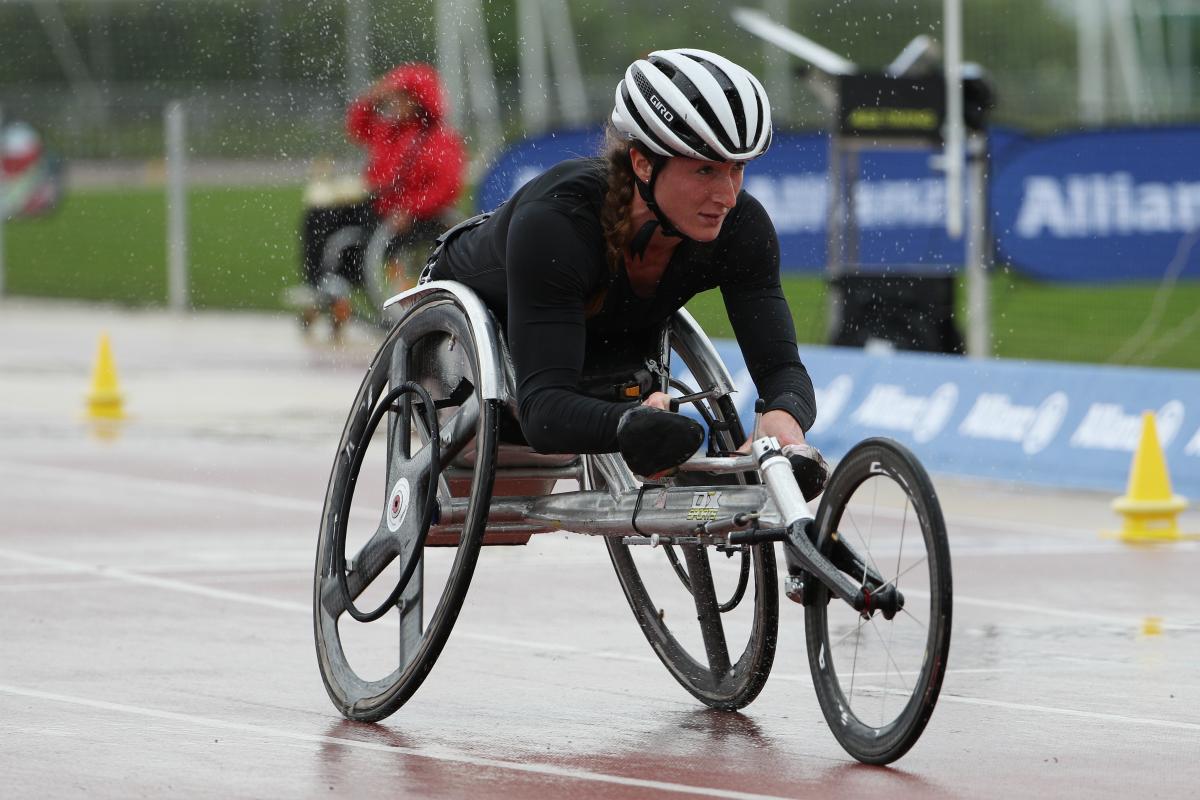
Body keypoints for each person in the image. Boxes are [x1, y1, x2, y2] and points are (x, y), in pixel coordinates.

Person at [425, 48, 825, 492]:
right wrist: (631, 425)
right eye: (706, 170)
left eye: (738, 169)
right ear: (643, 163)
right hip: (469, 345)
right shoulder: (557, 223)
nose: (727, 196)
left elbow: (783, 368)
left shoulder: (742, 228)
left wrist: (783, 415)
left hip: (604, 333)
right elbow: (541, 410)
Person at [294, 63, 465, 328]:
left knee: (358, 236)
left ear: (417, 100)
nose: (393, 103)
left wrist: (411, 208)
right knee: (319, 216)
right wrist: (375, 95)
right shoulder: (389, 131)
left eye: (400, 96)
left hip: (412, 219)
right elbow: (356, 125)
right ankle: (321, 284)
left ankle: (339, 281)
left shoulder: (440, 140)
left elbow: (446, 187)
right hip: (379, 207)